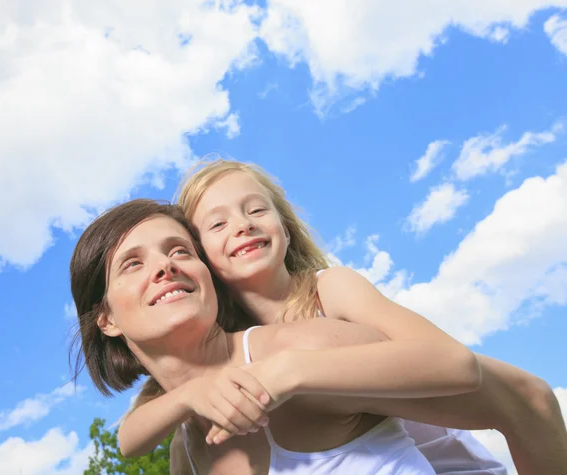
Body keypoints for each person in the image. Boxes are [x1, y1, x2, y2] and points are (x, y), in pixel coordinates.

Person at [121, 159, 567, 474]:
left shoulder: (329, 291)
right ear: (201, 258)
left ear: (285, 225)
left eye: (257, 209)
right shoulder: (228, 353)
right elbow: (134, 431)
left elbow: (455, 362)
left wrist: (290, 372)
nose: (243, 225)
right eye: (217, 224)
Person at [70, 200, 487, 474]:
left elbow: (479, 381)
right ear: (106, 319)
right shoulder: (187, 453)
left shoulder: (301, 347)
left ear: (208, 278)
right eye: (132, 264)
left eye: (180, 251)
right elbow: (130, 440)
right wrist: (183, 398)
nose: (166, 267)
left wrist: (292, 372)